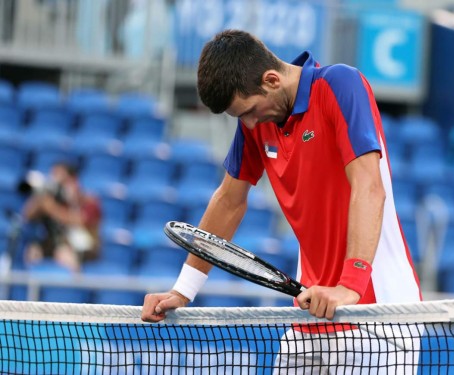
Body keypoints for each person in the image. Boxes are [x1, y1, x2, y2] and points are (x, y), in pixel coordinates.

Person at [141, 29, 422, 372]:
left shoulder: (340, 85)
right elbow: (229, 200)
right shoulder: (255, 124)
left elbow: (369, 186)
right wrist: (183, 291)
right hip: (312, 312)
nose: (249, 122)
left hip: (378, 315)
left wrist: (350, 285)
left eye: (250, 111)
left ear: (272, 79)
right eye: (240, 117)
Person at [22, 162, 101, 272]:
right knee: (32, 251)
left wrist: (51, 207)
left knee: (65, 255)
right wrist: (39, 197)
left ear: (74, 181)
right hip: (56, 244)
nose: (59, 184)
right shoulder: (55, 200)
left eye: (63, 181)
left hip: (85, 247)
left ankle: (75, 286)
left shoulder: (89, 201)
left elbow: (80, 221)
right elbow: (27, 216)